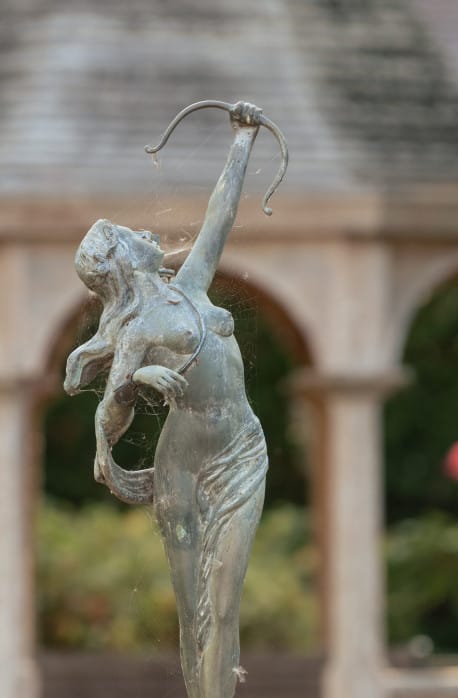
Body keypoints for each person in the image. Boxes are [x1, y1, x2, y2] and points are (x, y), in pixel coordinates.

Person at [63, 101, 281, 698]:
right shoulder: (135, 330)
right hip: (181, 468)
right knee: (193, 612)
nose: (146, 233)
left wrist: (243, 140)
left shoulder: (189, 286)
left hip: (241, 452)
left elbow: (219, 217)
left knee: (225, 602)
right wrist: (137, 378)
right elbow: (111, 411)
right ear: (122, 264)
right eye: (131, 237)